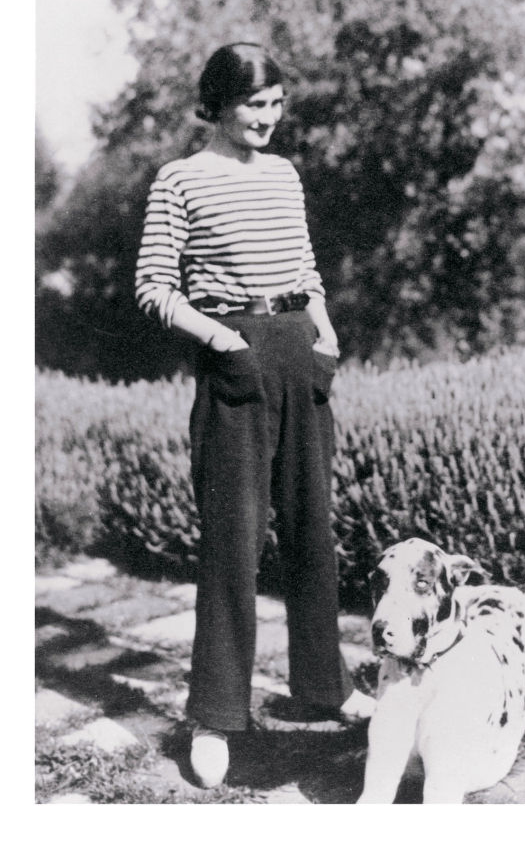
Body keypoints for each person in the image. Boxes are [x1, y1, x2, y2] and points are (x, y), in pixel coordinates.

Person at [135, 42, 374, 789]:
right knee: (232, 547)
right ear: (217, 103)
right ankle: (214, 717)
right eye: (254, 105)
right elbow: (153, 287)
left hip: (299, 351)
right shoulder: (179, 180)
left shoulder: (284, 175)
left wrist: (326, 331)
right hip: (232, 357)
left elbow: (304, 270)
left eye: (276, 104)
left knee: (312, 530)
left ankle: (321, 691)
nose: (269, 119)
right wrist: (221, 339)